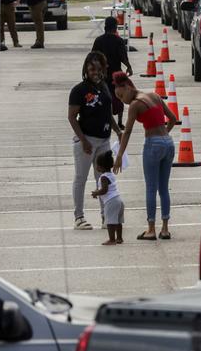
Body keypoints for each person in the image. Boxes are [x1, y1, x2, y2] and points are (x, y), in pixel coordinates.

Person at [112, 72, 178, 241]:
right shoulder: (154, 95)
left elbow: (127, 132)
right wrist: (163, 137)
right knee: (164, 188)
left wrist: (119, 155)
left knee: (150, 188)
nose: (122, 100)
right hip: (168, 143)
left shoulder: (135, 104)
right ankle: (165, 229)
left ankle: (151, 229)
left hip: (152, 144)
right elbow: (172, 119)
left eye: (120, 95)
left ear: (127, 87)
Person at [68, 51, 121, 231]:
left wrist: (117, 130)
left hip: (104, 140)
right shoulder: (79, 90)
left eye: (98, 68)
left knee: (103, 178)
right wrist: (83, 140)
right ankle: (79, 217)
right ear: (86, 69)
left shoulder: (105, 87)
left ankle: (106, 216)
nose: (95, 72)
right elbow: (72, 117)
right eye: (91, 69)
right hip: (87, 140)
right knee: (81, 178)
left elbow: (108, 113)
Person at [92, 17, 133, 128]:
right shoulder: (118, 40)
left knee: (105, 97)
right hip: (117, 75)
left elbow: (93, 57)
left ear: (105, 27)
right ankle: (119, 122)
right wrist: (129, 67)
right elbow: (123, 57)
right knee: (120, 97)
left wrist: (95, 71)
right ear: (115, 28)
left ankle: (107, 119)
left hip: (102, 75)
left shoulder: (99, 40)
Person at [91, 151, 124, 245]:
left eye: (97, 165)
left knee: (110, 221)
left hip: (111, 201)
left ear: (101, 167)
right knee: (118, 221)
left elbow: (104, 190)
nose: (96, 167)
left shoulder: (103, 177)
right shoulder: (111, 174)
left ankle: (112, 239)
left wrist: (96, 193)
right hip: (118, 199)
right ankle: (119, 238)